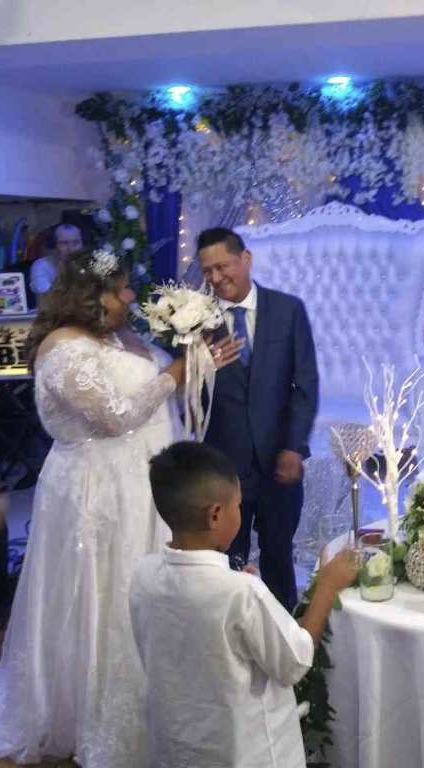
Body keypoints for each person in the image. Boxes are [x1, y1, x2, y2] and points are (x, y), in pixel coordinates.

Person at [0, 249, 241, 766]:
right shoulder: (63, 349)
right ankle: (97, 720)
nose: (130, 297)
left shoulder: (114, 337)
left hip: (139, 487)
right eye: (121, 289)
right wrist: (177, 372)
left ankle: (158, 708)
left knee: (145, 590)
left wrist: (197, 364)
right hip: (97, 490)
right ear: (93, 294)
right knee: (104, 594)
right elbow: (115, 415)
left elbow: (152, 396)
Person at [130, 440, 357, 768]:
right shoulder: (241, 592)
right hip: (248, 752)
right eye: (237, 505)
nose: (241, 511)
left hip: (180, 746)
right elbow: (293, 662)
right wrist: (326, 586)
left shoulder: (143, 573)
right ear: (216, 514)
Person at [197, 227, 319, 611]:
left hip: (278, 462)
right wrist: (197, 364)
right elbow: (189, 395)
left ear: (245, 259)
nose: (216, 278)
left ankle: (286, 634)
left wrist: (293, 447)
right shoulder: (193, 320)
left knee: (279, 555)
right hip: (223, 466)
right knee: (225, 563)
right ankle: (232, 634)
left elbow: (305, 386)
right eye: (207, 271)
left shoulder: (287, 310)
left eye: (222, 266)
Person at [29, 223, 83, 296]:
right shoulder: (41, 266)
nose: (71, 249)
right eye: (64, 243)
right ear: (54, 246)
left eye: (76, 243)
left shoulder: (91, 264)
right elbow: (46, 292)